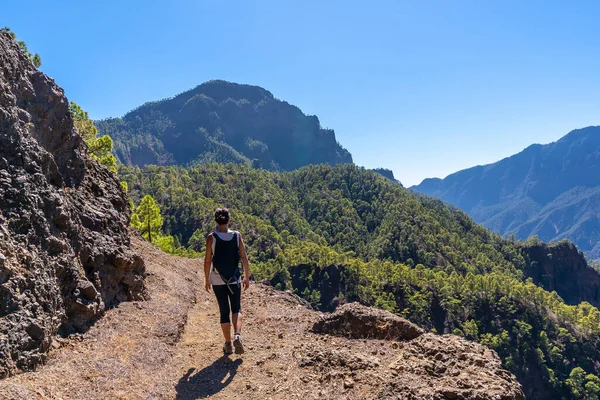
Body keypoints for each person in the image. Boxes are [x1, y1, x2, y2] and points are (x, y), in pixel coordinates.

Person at [204, 208, 250, 355]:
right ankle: (238, 335)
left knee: (224, 310)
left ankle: (228, 344)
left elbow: (207, 260)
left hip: (218, 279)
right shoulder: (237, 236)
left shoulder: (212, 237)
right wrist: (246, 276)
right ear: (229, 220)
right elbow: (244, 257)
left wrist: (207, 279)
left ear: (216, 221)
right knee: (236, 308)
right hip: (234, 278)